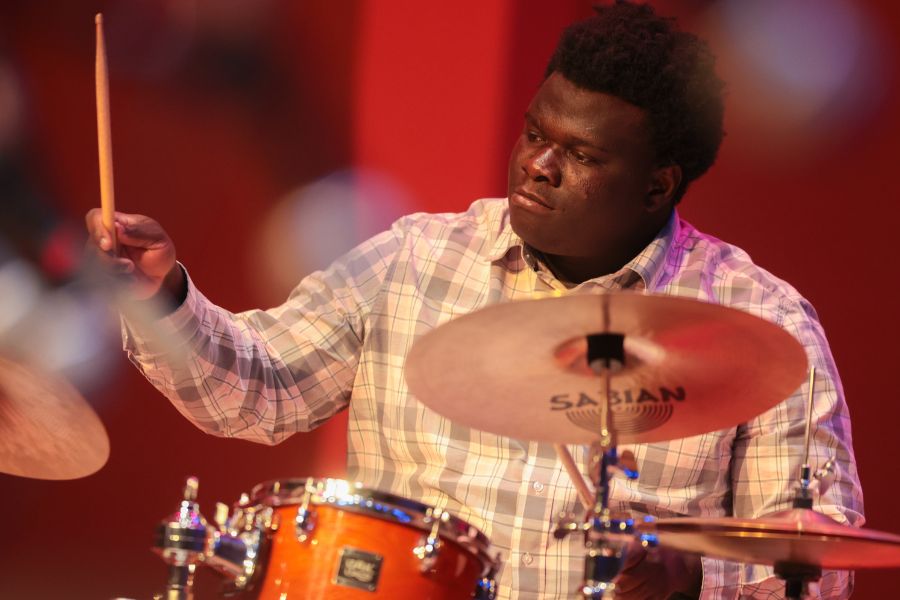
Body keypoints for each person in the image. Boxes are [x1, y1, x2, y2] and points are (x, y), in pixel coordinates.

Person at [86, 2, 863, 598]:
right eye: (535, 133)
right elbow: (258, 393)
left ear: (658, 185)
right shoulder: (416, 260)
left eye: (579, 154)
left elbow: (818, 562)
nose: (537, 165)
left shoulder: (761, 322)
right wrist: (163, 295)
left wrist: (693, 577)